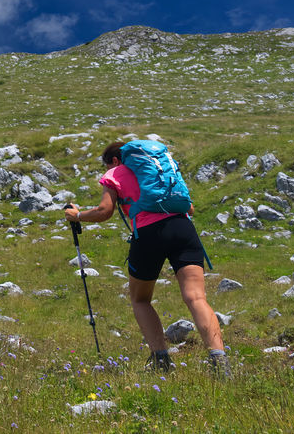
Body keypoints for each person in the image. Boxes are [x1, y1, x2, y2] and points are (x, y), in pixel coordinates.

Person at [63, 141, 230, 375]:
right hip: (183, 228)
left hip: (149, 234)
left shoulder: (115, 172)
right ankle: (219, 361)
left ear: (114, 159)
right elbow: (189, 208)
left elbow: (104, 211)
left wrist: (77, 215)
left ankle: (161, 360)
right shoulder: (162, 168)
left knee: (140, 299)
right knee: (196, 298)